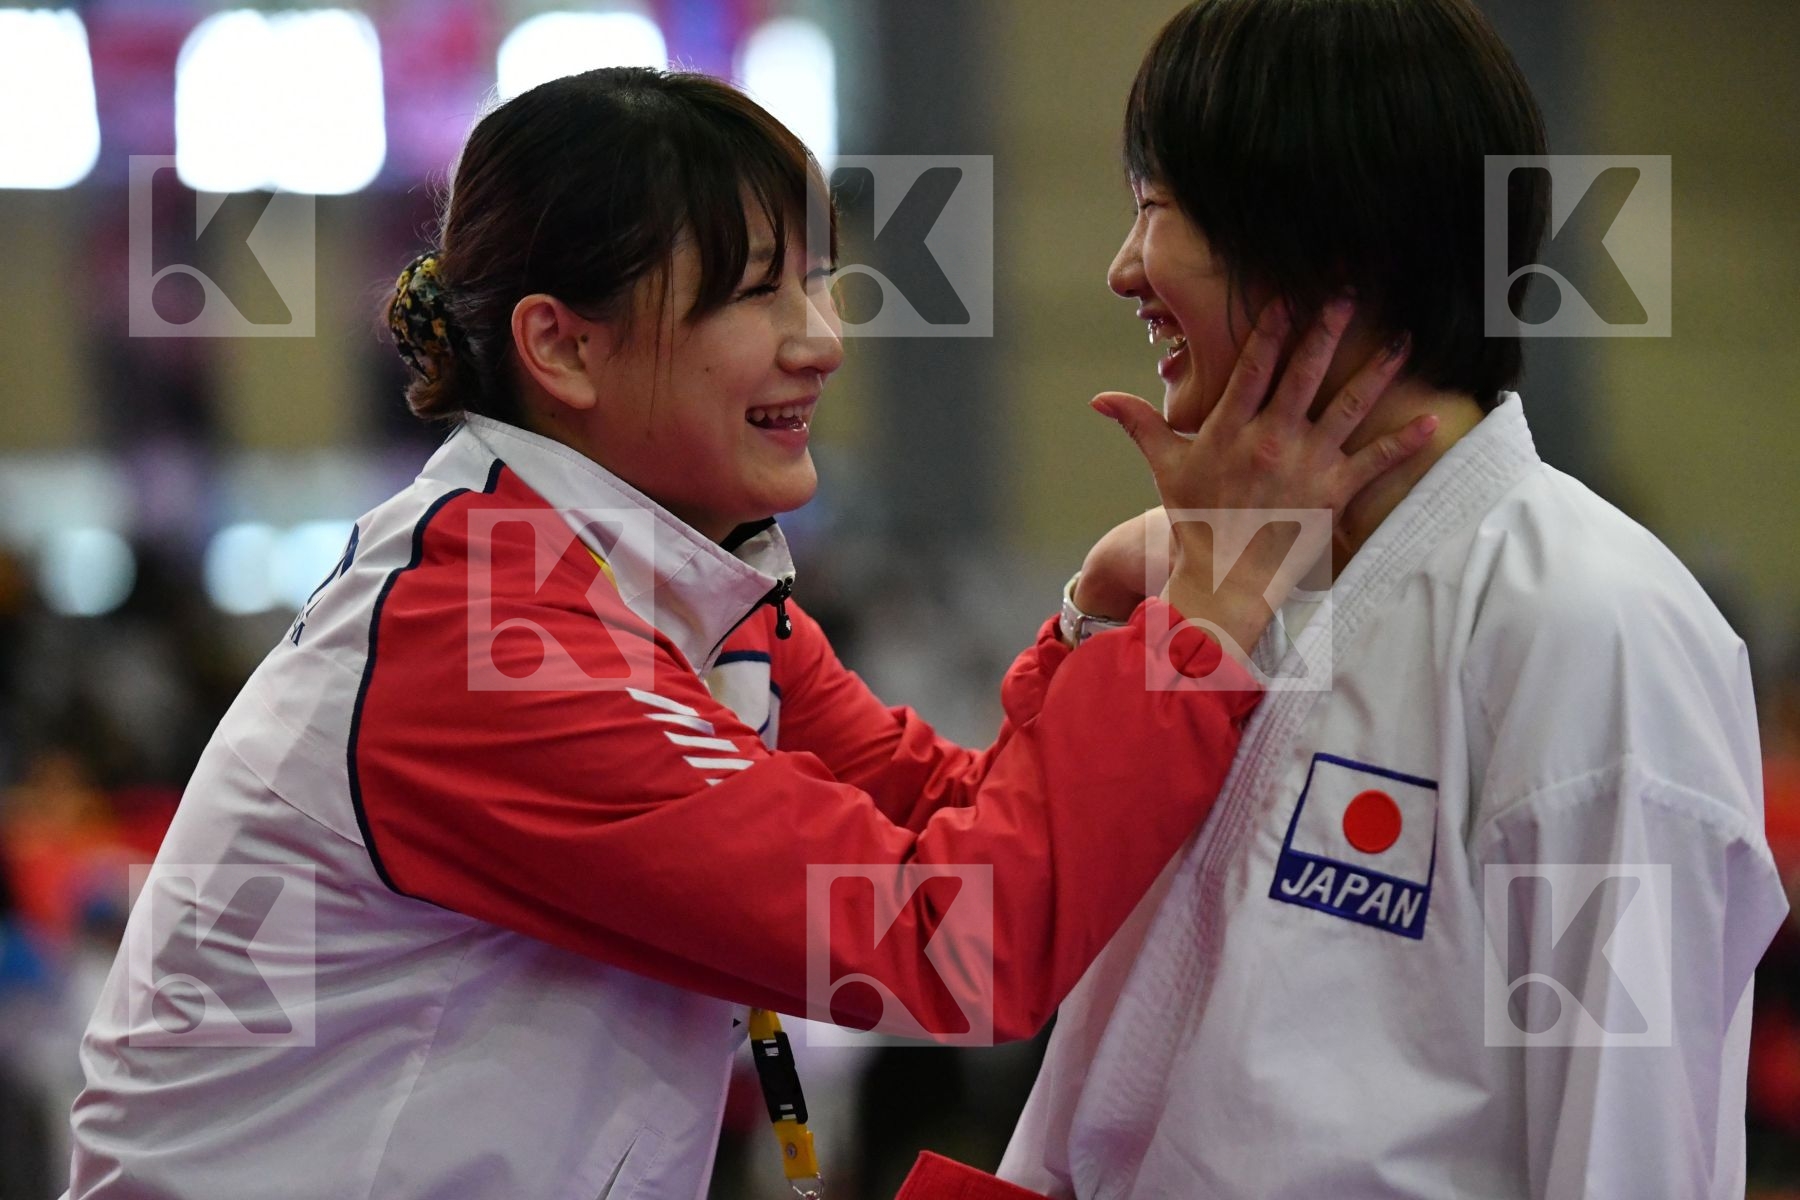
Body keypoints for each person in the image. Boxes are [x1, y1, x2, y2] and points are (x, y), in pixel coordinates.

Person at [63, 69, 1433, 1199]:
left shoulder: (684, 592)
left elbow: (961, 816)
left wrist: (1101, 616)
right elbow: (954, 942)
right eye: (755, 294)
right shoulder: (489, 646)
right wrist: (1206, 619)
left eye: (822, 283)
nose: (821, 342)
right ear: (566, 348)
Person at [998, 2, 1791, 1198]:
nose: (1124, 272)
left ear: (1328, 251)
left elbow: (1627, 1154)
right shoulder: (1222, 596)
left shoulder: (1591, 624)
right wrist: (1089, 617)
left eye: (1157, 209)